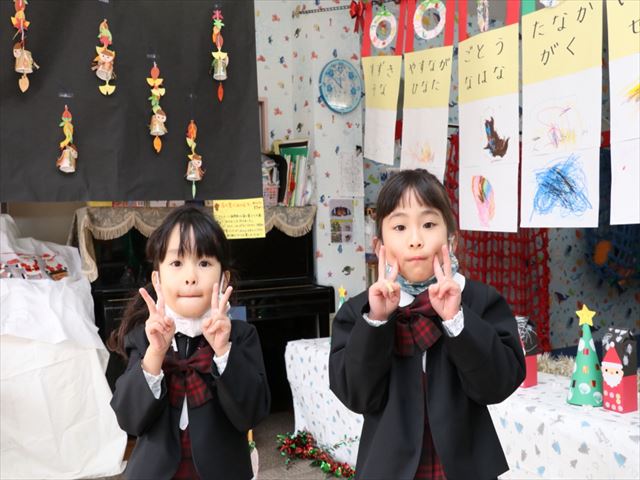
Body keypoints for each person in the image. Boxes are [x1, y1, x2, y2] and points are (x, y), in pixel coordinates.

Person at [329, 169, 525, 480]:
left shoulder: (479, 300)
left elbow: (498, 385)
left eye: (429, 224)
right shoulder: (360, 312)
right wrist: (376, 322)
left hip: (465, 468)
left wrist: (456, 320)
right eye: (400, 227)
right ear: (379, 246)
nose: (415, 240)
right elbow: (357, 395)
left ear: (452, 239)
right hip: (389, 469)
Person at [109, 205, 270, 479]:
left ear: (224, 278)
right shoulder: (143, 337)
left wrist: (223, 351)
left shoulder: (241, 336)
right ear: (157, 279)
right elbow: (129, 421)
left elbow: (251, 414)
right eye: (176, 263)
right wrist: (155, 354)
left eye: (204, 263)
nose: (191, 277)